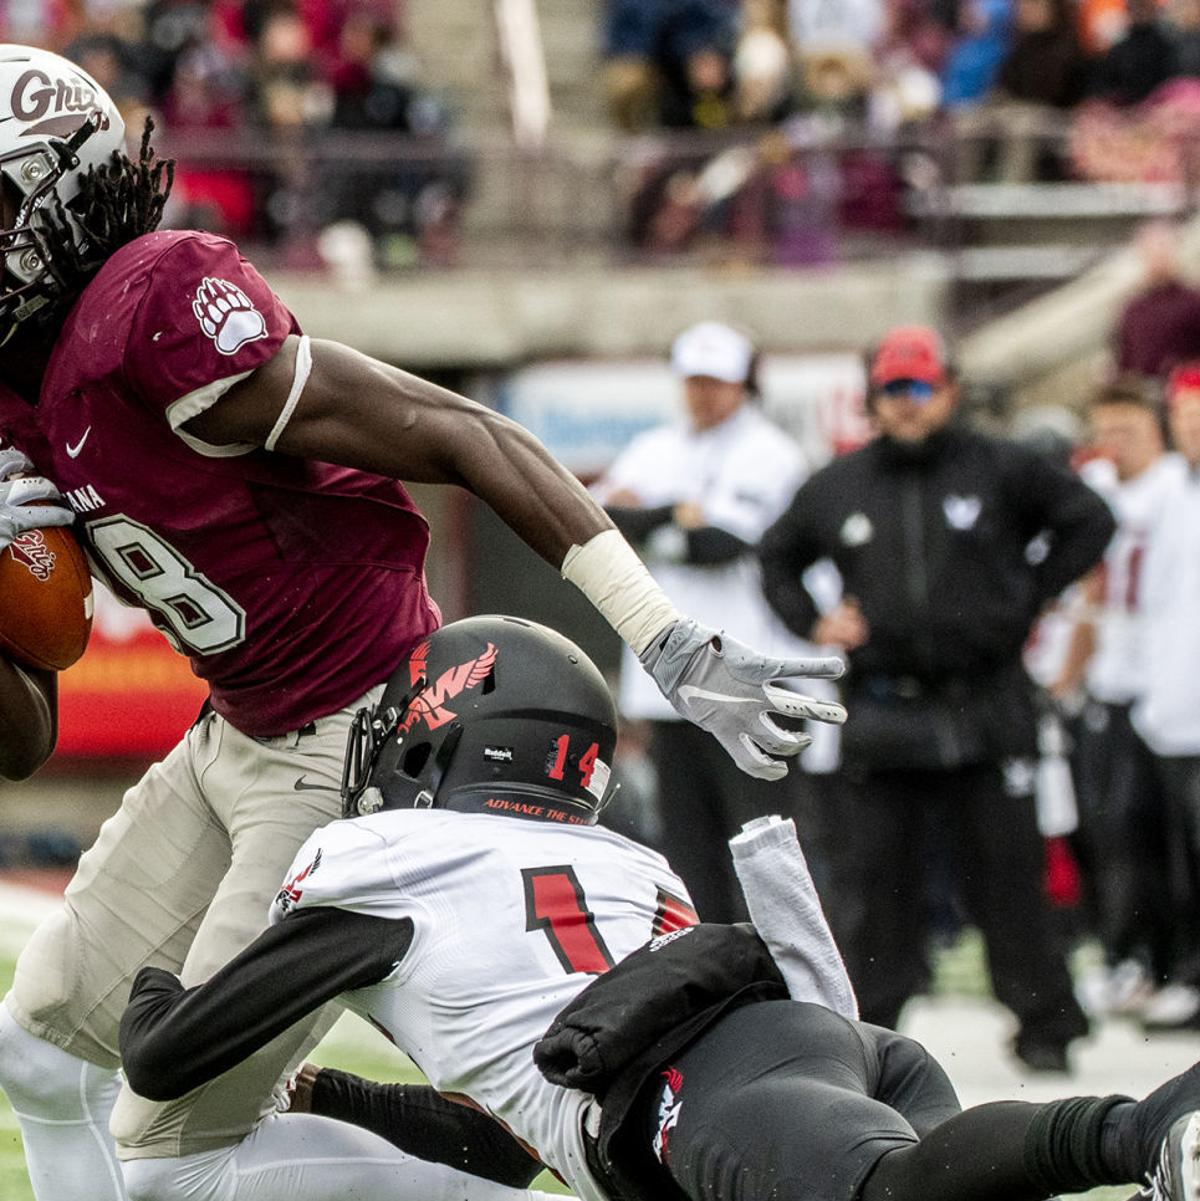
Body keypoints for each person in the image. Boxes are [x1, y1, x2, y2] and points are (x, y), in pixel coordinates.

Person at [0, 47, 846, 1201]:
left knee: (170, 1163)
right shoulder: (17, 389)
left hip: (360, 727)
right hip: (235, 731)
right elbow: (22, 737)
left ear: (62, 195)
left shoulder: (154, 307)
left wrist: (665, 635)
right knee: (38, 1051)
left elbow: (461, 431)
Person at [118, 614, 1200, 1201]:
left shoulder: (386, 857)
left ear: (450, 726)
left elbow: (166, 1057)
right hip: (818, 1053)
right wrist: (331, 1091)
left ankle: (1145, 1129)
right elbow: (511, 1145)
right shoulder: (624, 860)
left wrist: (152, 959)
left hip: (705, 1087)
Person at [759, 325, 1114, 1071]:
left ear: (948, 390)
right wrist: (813, 620)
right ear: (874, 399)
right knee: (876, 888)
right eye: (895, 389)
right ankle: (863, 1033)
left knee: (1010, 878)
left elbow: (1091, 519)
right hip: (886, 711)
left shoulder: (1002, 467)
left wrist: (1031, 594)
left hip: (985, 704)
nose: (909, 403)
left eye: (921, 387)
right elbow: (778, 556)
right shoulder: (840, 484)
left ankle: (1047, 1030)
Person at [591, 321, 831, 920]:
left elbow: (723, 543)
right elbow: (598, 520)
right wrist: (677, 516)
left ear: (743, 384)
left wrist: (654, 522)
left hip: (748, 678)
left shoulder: (771, 453)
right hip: (667, 682)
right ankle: (713, 970)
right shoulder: (655, 446)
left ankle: (785, 970)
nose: (703, 393)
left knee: (764, 841)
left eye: (716, 381)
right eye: (694, 380)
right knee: (689, 848)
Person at [1051, 381, 1182, 1015]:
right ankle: (1126, 956)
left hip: (1164, 680)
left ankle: (1162, 961)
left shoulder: (1175, 490)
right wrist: (1067, 675)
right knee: (1106, 829)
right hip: (1110, 674)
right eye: (1106, 429)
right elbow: (1087, 594)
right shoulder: (1096, 489)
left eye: (1128, 428)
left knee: (1152, 832)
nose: (1116, 443)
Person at [1126, 362, 1200, 1031]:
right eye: (1185, 419)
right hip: (1174, 706)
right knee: (1178, 854)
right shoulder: (1168, 491)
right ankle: (1183, 970)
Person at [1115, 220, 1200, 380]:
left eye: (1163, 250)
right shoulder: (1134, 309)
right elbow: (1125, 359)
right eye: (1152, 252)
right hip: (1144, 392)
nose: (1158, 258)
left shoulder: (1194, 302)